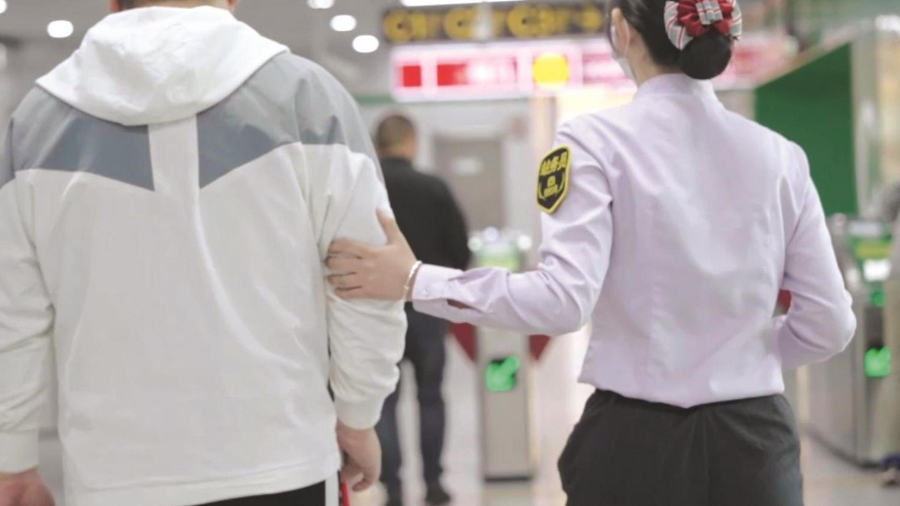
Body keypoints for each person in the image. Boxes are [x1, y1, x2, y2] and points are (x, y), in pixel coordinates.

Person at [326, 0, 857, 504]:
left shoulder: (592, 141)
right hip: (758, 448)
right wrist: (743, 356)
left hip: (637, 443)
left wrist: (415, 280)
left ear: (621, 30)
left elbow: (561, 302)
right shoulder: (782, 157)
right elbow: (830, 324)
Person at [0, 1, 406, 506]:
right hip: (281, 458)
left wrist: (13, 457)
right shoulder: (307, 97)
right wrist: (359, 415)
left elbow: (11, 313)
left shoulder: (35, 124)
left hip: (113, 472)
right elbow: (364, 276)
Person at [373, 115, 471, 506]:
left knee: (385, 401)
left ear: (377, 145)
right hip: (428, 309)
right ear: (411, 141)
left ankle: (393, 490)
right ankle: (433, 484)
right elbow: (461, 251)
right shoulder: (433, 188)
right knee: (431, 397)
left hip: (377, 312)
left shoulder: (367, 192)